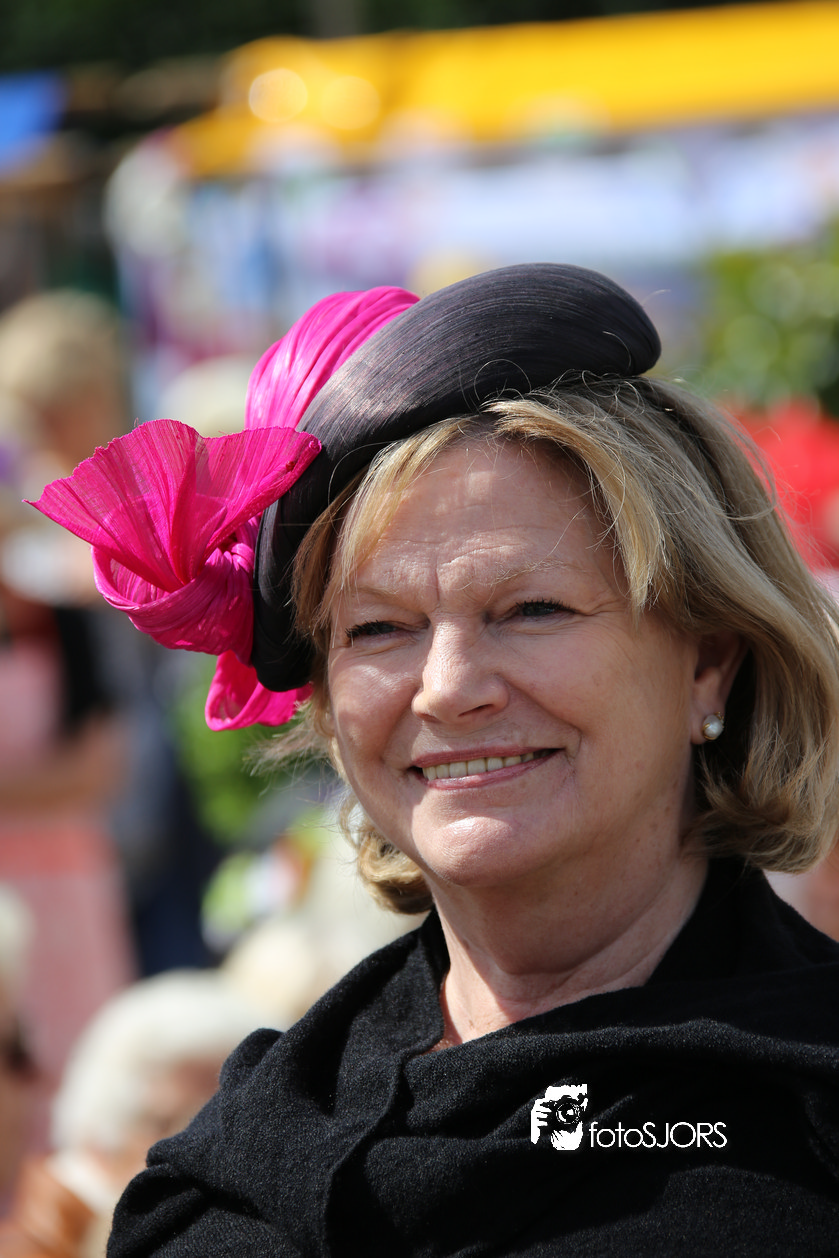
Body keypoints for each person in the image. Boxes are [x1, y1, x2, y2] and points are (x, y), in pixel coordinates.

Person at [31, 265, 839, 1255]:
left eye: (530, 609)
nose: (447, 687)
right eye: (378, 628)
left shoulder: (808, 1120)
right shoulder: (229, 1180)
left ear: (707, 662)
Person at [0, 970, 267, 1257]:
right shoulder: (36, 1241)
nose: (205, 1149)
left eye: (231, 1127)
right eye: (178, 1124)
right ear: (104, 1142)